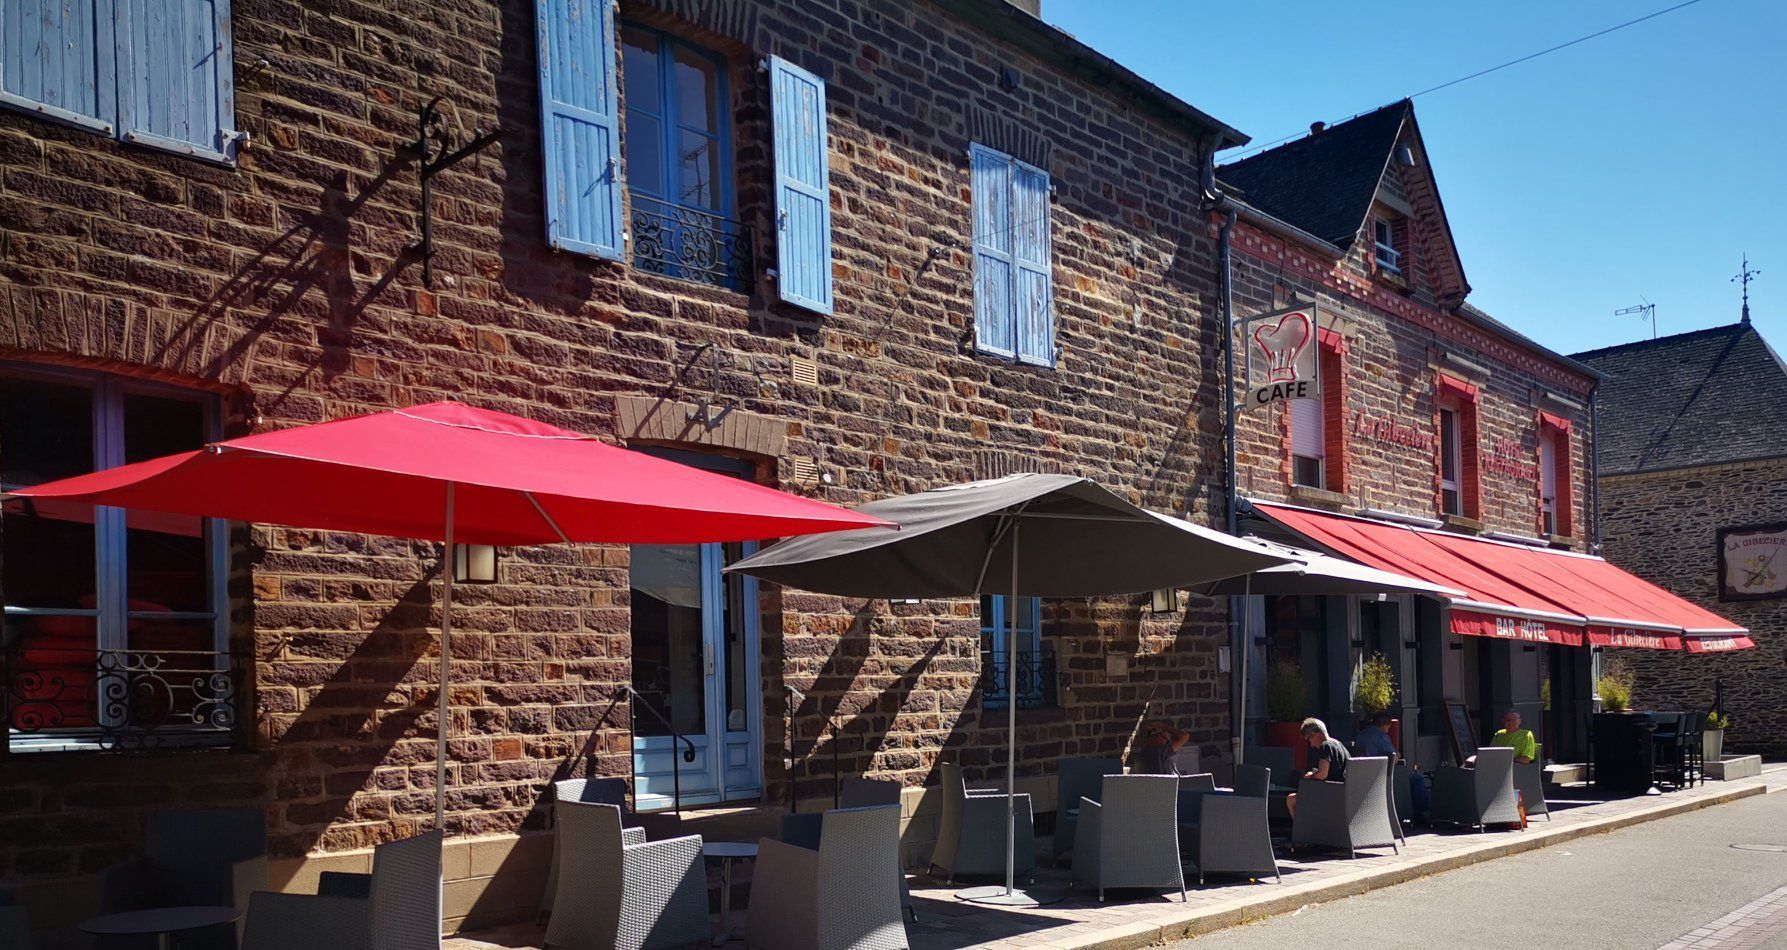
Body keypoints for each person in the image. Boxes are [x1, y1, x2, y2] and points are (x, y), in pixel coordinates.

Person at [1286, 717, 1349, 818]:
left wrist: (1310, 776)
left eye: (1309, 740)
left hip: (1330, 795)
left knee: (1291, 799)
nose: (1311, 745)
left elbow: (1322, 774)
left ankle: (1302, 829)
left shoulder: (1325, 746)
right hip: (1343, 794)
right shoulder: (1339, 745)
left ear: (1314, 734)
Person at [1465, 710, 1538, 767]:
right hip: (1495, 766)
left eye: (1510, 720)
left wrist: (1506, 761)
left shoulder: (1526, 735)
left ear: (1519, 721)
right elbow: (1490, 751)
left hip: (1514, 768)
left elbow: (1526, 759)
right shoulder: (1499, 733)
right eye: (1505, 720)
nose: (1506, 723)